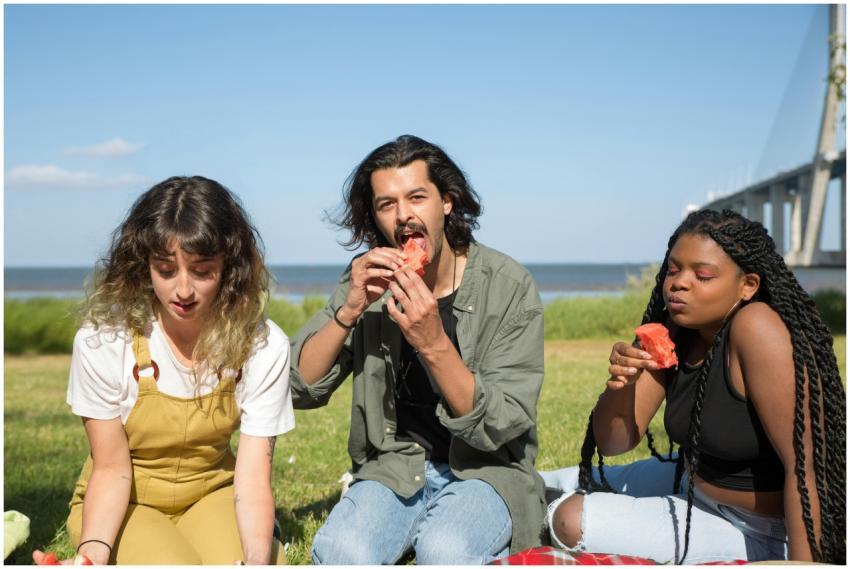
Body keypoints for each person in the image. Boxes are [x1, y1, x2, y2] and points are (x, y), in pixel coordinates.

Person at [289, 134, 546, 564]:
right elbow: (300, 387)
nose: (404, 215)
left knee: (444, 549)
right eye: (387, 204)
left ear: (447, 202)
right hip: (394, 467)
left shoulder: (509, 286)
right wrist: (349, 310)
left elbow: (502, 423)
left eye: (417, 197)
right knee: (341, 551)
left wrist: (433, 343)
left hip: (487, 470)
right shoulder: (367, 283)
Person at [541, 209, 845, 564]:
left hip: (760, 528)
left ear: (747, 286)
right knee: (557, 479)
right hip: (690, 483)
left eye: (702, 275)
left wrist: (803, 563)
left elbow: (809, 465)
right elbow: (614, 442)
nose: (679, 283)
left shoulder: (757, 328)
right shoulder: (675, 331)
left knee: (569, 519)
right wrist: (622, 383)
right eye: (673, 269)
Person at [33, 176, 294, 565]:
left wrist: (256, 562)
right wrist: (92, 554)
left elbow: (253, 477)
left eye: (202, 270)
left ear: (229, 267)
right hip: (127, 501)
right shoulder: (102, 341)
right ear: (144, 265)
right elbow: (111, 470)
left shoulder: (264, 344)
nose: (183, 290)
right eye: (166, 270)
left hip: (213, 493)